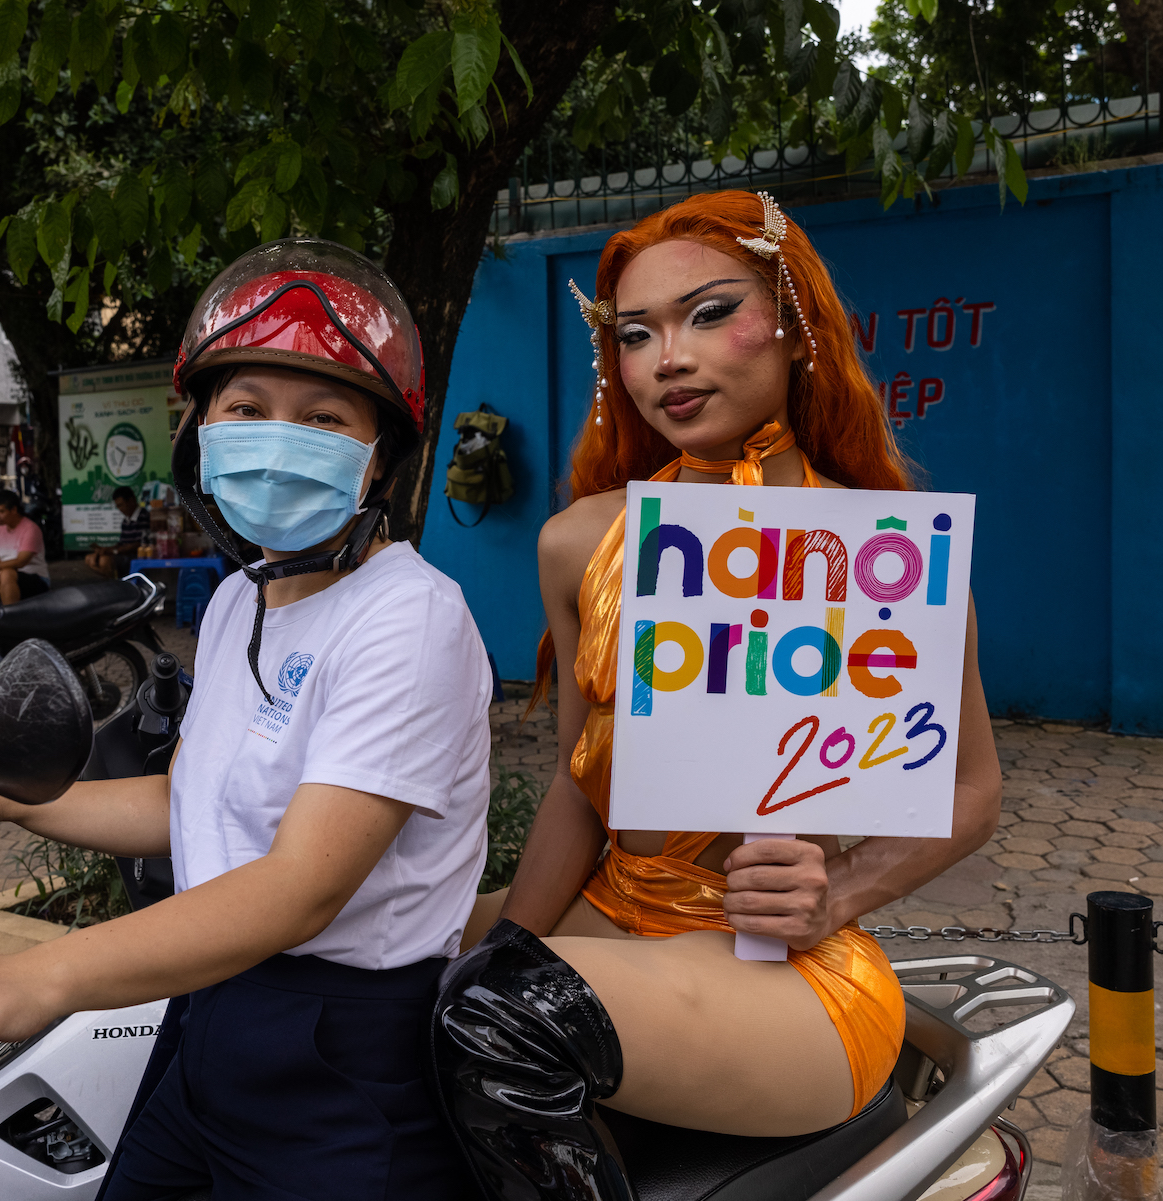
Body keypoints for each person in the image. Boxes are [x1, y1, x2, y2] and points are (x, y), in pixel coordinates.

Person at [0, 238, 490, 1200]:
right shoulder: (240, 602)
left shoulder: (412, 618)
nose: (277, 435)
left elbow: (299, 887)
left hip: (339, 1055)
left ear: (381, 458)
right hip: (210, 1004)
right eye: (246, 410)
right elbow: (186, 799)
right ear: (202, 436)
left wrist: (28, 979)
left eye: (322, 417)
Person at [430, 191, 1004, 1200]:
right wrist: (509, 939)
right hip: (612, 916)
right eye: (638, 333)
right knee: (375, 972)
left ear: (792, 318)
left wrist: (842, 892)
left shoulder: (886, 549)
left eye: (708, 313)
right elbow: (577, 785)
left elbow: (971, 791)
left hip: (784, 968)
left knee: (499, 1020)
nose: (669, 358)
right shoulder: (580, 543)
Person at [84, 485, 150, 578]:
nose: (119, 509)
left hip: (137, 556)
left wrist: (114, 551)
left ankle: (116, 584)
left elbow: (139, 544)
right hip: (123, 555)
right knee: (89, 559)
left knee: (104, 561)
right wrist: (106, 549)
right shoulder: (126, 521)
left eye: (121, 505)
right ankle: (114, 582)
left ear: (131, 501)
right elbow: (122, 544)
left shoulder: (144, 517)